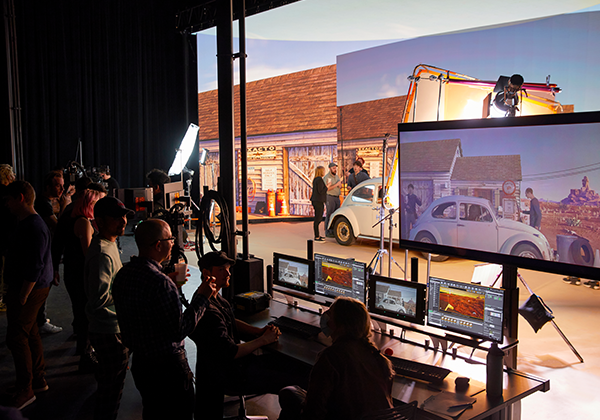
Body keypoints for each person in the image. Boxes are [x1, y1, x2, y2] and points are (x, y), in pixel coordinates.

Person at [112, 219, 216, 420]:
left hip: (142, 365)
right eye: (170, 239)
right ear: (158, 245)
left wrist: (171, 285)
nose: (174, 243)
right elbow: (179, 330)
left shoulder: (124, 274)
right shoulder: (160, 283)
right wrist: (202, 297)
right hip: (168, 370)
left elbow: (146, 308)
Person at [190, 251, 309, 420]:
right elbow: (232, 352)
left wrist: (257, 331)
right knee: (295, 381)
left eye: (228, 269)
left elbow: (230, 320)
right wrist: (263, 340)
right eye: (222, 269)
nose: (228, 273)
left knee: (287, 366)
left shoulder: (212, 298)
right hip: (232, 375)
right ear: (206, 273)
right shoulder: (209, 311)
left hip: (230, 368)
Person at [278, 297, 394, 420]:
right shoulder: (378, 358)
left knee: (289, 393)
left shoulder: (330, 357)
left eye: (330, 315)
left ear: (341, 325)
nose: (326, 318)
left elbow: (313, 410)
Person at [3, 181, 54, 410]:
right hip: (31, 287)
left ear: (20, 198)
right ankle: (38, 380)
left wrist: (23, 295)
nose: (6, 204)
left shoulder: (34, 226)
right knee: (30, 332)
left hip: (29, 289)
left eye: (9, 199)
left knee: (17, 337)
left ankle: (26, 389)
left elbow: (35, 265)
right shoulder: (30, 223)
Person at [84, 197, 133, 420]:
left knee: (110, 384)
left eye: (124, 216)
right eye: (116, 217)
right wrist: (129, 293)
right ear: (100, 221)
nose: (123, 221)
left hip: (112, 327)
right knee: (111, 390)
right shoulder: (102, 253)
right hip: (108, 330)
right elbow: (99, 299)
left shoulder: (109, 244)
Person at [60, 188, 106, 371]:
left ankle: (83, 351)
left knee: (80, 312)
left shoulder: (78, 219)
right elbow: (88, 253)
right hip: (79, 274)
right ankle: (85, 355)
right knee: (84, 314)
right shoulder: (83, 222)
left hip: (74, 272)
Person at [323, 162, 342, 237]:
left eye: (335, 168)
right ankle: (327, 231)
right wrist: (336, 184)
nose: (335, 169)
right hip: (330, 197)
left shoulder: (336, 176)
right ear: (329, 169)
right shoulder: (327, 177)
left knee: (336, 214)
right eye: (333, 168)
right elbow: (327, 189)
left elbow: (339, 186)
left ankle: (334, 230)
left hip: (337, 197)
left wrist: (339, 185)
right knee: (330, 213)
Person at [310, 166, 327, 242]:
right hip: (318, 201)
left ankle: (317, 235)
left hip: (316, 200)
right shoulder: (319, 180)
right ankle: (316, 236)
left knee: (318, 217)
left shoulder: (315, 179)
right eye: (323, 171)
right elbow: (321, 191)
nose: (324, 172)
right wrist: (327, 187)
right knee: (318, 218)